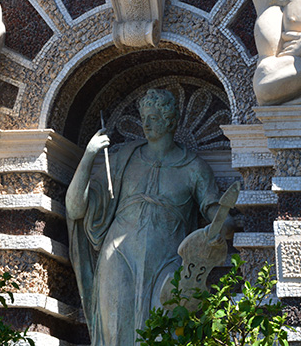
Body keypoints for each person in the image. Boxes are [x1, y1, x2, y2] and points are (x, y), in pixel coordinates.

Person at [66, 89, 230, 346]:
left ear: (170, 120)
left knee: (165, 333)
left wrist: (221, 226)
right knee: (116, 333)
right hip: (117, 257)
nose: (146, 123)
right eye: (143, 117)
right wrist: (88, 155)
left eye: (153, 117)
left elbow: (217, 216)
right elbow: (75, 209)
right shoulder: (124, 160)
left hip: (168, 260)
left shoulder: (194, 168)